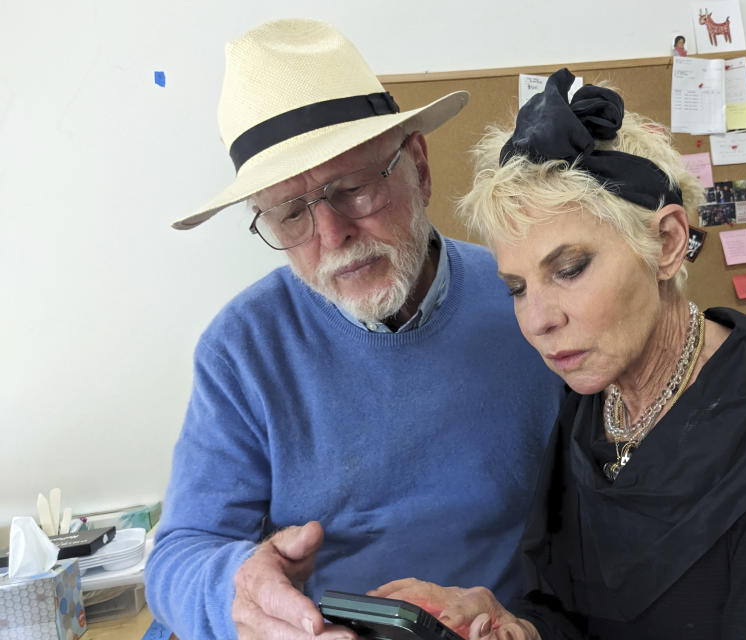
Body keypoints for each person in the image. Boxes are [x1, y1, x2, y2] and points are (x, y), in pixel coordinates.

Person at [372, 69, 746, 639]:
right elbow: (571, 612)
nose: (539, 320)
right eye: (516, 288)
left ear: (667, 244)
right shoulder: (592, 404)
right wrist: (516, 629)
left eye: (568, 270)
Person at [143, 20, 563, 640]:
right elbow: (179, 554)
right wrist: (236, 589)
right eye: (290, 214)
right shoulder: (243, 348)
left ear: (417, 167)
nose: (331, 236)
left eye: (353, 189)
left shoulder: (526, 303)